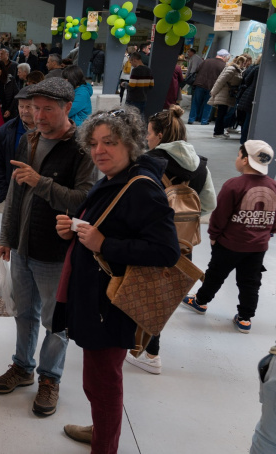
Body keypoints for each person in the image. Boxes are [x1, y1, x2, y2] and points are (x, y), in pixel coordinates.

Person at [56, 107, 180, 453]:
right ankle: (101, 429)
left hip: (112, 306)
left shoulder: (141, 188)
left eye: (109, 142)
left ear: (131, 143)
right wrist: (74, 230)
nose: (99, 150)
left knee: (103, 384)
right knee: (97, 380)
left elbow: (167, 251)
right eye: (94, 143)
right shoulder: (115, 179)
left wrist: (104, 244)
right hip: (97, 299)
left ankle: (104, 444)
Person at [0, 78, 95, 417]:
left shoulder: (82, 148)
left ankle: (50, 378)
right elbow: (15, 193)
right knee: (24, 312)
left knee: (56, 321)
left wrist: (41, 182)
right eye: (34, 108)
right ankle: (22, 366)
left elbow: (83, 199)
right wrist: (6, 236)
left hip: (56, 252)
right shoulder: (29, 140)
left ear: (68, 108)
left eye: (47, 109)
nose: (37, 115)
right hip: (23, 246)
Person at [118, 105, 216, 375]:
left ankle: (148, 352)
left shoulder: (146, 162)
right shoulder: (201, 165)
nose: (146, 138)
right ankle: (147, 349)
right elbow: (209, 203)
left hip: (148, 241)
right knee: (162, 296)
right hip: (183, 244)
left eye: (149, 133)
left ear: (160, 135)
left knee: (137, 292)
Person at [182, 140, 276, 334]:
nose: (237, 159)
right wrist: (268, 231)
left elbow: (220, 214)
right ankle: (245, 319)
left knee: (215, 275)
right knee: (250, 282)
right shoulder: (273, 186)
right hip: (258, 247)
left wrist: (214, 235)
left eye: (239, 155)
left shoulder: (234, 185)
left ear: (245, 160)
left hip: (229, 245)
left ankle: (200, 301)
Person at [0, 86, 34, 203]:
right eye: (21, 106)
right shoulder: (6, 130)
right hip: (13, 193)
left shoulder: (48, 132)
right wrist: (4, 193)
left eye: (29, 106)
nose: (24, 111)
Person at [208, 54, 251, 139]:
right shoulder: (232, 69)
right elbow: (220, 81)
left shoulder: (238, 70)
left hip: (227, 95)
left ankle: (219, 131)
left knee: (223, 113)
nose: (245, 65)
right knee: (221, 113)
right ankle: (217, 132)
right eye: (244, 63)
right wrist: (213, 92)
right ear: (241, 62)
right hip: (224, 94)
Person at [188, 49, 229, 125]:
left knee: (195, 102)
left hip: (200, 84)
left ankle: (191, 119)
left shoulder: (206, 61)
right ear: (224, 57)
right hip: (212, 87)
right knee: (208, 104)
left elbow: (197, 70)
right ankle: (204, 121)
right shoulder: (224, 65)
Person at [235, 55, 261, 144]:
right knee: (249, 119)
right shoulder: (259, 69)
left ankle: (243, 140)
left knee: (247, 119)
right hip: (253, 96)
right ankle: (245, 140)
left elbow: (247, 80)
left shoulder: (255, 68)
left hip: (248, 95)